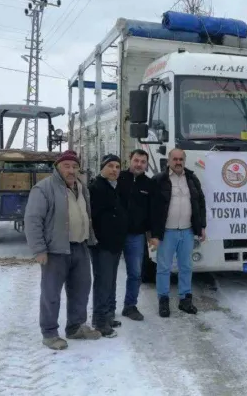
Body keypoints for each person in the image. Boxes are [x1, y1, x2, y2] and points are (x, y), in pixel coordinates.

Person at [24, 150, 101, 350]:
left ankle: (75, 327)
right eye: (67, 166)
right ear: (58, 167)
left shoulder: (82, 188)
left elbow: (87, 214)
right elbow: (33, 220)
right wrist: (39, 249)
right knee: (51, 293)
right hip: (55, 250)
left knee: (81, 290)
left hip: (80, 246)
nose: (71, 170)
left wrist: (90, 238)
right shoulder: (44, 188)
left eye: (75, 166)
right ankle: (49, 333)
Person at [149, 148, 206, 318]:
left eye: (181, 159)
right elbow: (151, 208)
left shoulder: (192, 178)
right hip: (166, 232)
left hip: (187, 231)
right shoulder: (159, 180)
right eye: (175, 159)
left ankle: (185, 299)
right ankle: (163, 300)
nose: (178, 162)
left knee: (186, 266)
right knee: (163, 268)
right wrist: (153, 234)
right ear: (169, 160)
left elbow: (200, 203)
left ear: (184, 160)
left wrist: (201, 226)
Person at [88, 154, 128, 338]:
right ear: (102, 168)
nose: (114, 170)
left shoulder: (116, 187)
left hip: (114, 243)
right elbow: (94, 217)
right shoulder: (96, 187)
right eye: (110, 166)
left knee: (111, 281)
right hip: (102, 244)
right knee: (103, 282)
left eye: (117, 167)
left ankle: (109, 315)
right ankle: (99, 320)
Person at [117, 149, 153, 321]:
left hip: (136, 236)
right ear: (129, 160)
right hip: (114, 235)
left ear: (146, 165)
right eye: (136, 160)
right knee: (108, 275)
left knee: (135, 274)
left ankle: (130, 306)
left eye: (143, 162)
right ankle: (106, 309)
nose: (139, 164)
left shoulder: (149, 184)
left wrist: (152, 233)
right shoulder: (118, 178)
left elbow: (154, 211)